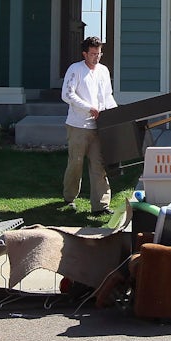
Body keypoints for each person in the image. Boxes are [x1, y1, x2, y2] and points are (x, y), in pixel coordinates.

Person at [61, 36, 117, 215]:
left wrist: (115, 114)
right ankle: (69, 198)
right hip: (78, 125)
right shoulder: (75, 70)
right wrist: (88, 108)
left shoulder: (103, 71)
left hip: (99, 126)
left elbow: (108, 96)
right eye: (93, 54)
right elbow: (67, 95)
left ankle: (101, 206)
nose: (96, 57)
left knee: (99, 165)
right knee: (75, 163)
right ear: (85, 54)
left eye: (99, 53)